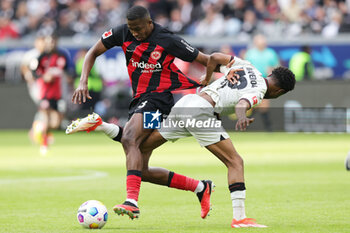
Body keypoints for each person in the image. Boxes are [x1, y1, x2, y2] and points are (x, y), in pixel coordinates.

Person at [67, 54, 296, 228]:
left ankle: (102, 125)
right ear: (280, 91)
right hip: (200, 114)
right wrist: (243, 116)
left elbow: (215, 57)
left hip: (186, 104)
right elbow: (241, 104)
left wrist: (206, 78)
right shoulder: (261, 88)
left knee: (139, 160)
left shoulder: (247, 66)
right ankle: (240, 218)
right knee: (235, 162)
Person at [70, 6, 231, 221]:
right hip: (140, 99)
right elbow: (93, 52)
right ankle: (200, 187)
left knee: (130, 138)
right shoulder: (122, 32)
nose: (134, 33)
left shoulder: (166, 38)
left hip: (159, 98)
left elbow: (204, 59)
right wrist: (83, 81)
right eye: (131, 28)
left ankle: (131, 202)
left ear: (149, 23)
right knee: (140, 166)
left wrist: (231, 69)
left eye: (138, 28)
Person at [33, 34, 69, 155]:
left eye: (53, 42)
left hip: (57, 94)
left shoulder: (62, 56)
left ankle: (38, 128)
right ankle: (44, 144)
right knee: (47, 118)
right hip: (45, 93)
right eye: (49, 42)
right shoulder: (41, 57)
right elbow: (34, 72)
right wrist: (43, 76)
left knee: (56, 123)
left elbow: (68, 71)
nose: (51, 44)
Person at [245, 34, 280, 131]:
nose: (263, 42)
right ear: (256, 42)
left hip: (265, 82)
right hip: (252, 82)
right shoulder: (250, 53)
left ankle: (267, 128)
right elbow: (245, 67)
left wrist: (272, 70)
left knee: (263, 104)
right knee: (256, 103)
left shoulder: (271, 53)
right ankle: (267, 127)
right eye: (261, 40)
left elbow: (277, 67)